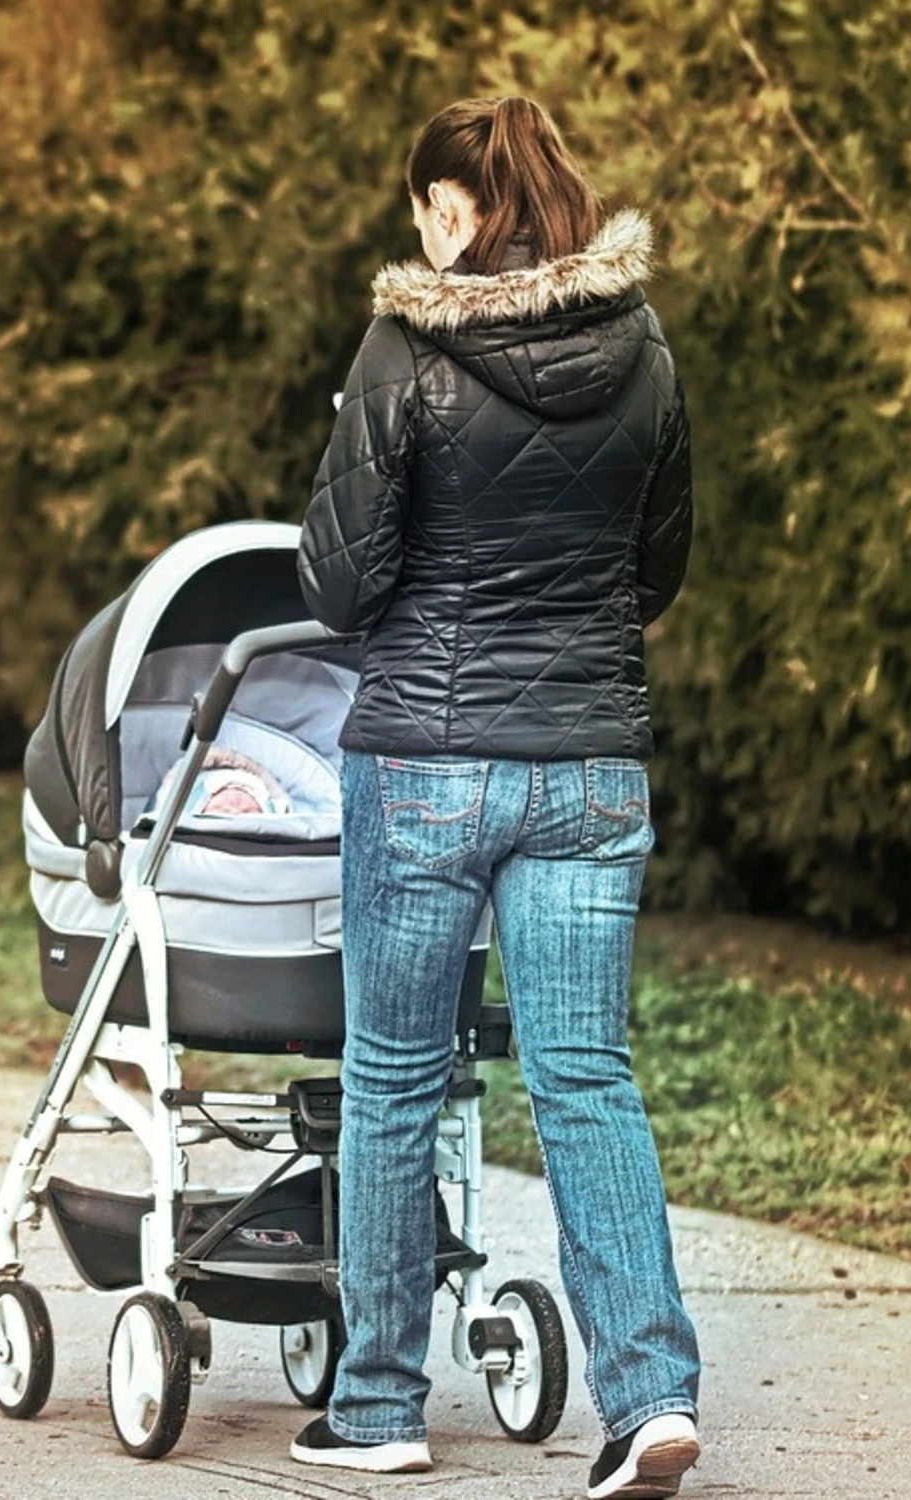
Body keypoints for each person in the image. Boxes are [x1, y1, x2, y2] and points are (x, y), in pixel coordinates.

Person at [291, 96, 702, 1500]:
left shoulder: (404, 344)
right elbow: (657, 568)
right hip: (588, 767)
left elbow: (336, 585)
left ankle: (378, 1406)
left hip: (423, 764)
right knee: (584, 1076)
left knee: (396, 1080)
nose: (417, 231)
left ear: (455, 212)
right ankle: (649, 1395)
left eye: (423, 208)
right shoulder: (641, 348)